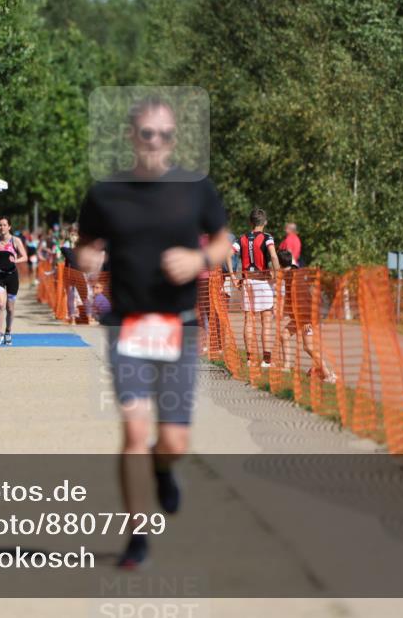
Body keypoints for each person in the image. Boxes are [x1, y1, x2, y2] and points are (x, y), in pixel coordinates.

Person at [75, 96, 231, 569]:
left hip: (178, 327)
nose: (156, 143)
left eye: (165, 135)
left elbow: (223, 242)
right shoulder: (106, 193)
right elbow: (84, 247)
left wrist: (199, 259)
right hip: (127, 326)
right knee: (135, 430)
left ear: (174, 139)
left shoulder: (195, 188)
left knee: (173, 443)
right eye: (147, 134)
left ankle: (164, 469)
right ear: (132, 137)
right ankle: (137, 536)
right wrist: (87, 259)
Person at [228, 208, 280, 369]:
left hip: (247, 282)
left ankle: (250, 359)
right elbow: (273, 255)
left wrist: (233, 276)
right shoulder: (267, 237)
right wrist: (278, 275)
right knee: (266, 322)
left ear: (250, 222)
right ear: (265, 222)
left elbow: (228, 254)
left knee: (248, 320)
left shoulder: (242, 238)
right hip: (262, 281)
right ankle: (266, 360)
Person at [276, 248, 336, 383]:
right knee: (284, 335)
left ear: (279, 264)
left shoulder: (291, 276)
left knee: (308, 346)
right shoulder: (293, 272)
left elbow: (299, 298)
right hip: (298, 316)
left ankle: (328, 375)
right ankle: (287, 367)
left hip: (305, 316)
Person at [0, 216, 28, 345]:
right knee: (1, 304)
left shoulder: (15, 240)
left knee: (10, 307)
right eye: (0, 225)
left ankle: (8, 331)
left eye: (4, 225)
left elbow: (25, 257)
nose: (2, 227)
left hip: (12, 276)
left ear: (9, 227)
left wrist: (15, 260)